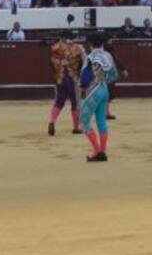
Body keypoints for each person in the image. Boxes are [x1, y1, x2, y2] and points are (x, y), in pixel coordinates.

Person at [78, 32, 118, 162]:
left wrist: (83, 89)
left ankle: (96, 150)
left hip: (93, 90)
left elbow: (85, 77)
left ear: (90, 44)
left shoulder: (90, 57)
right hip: (104, 90)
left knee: (84, 121)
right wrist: (103, 81)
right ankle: (103, 151)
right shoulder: (108, 55)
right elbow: (114, 75)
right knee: (101, 120)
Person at [47, 33, 85, 136]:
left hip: (60, 78)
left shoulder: (55, 47)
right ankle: (76, 128)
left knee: (59, 102)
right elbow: (85, 63)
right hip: (73, 78)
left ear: (61, 38)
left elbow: (52, 64)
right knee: (76, 104)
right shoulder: (78, 48)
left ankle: (52, 121)